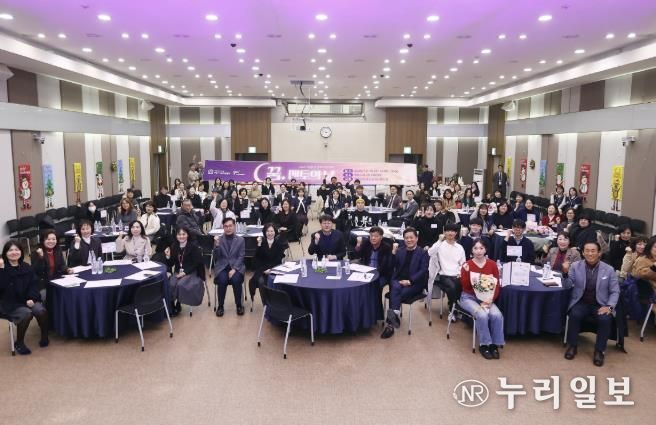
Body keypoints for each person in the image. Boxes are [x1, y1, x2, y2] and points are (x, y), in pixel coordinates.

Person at [563, 241, 620, 367]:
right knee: (575, 314)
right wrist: (565, 273)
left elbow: (615, 291)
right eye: (587, 251)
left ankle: (599, 351)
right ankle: (572, 346)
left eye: (593, 251)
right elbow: (568, 285)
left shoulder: (609, 269)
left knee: (605, 319)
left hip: (601, 304)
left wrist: (609, 306)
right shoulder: (575, 266)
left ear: (599, 253)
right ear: (583, 253)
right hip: (581, 301)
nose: (590, 253)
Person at [0, 241, 50, 354]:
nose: (14, 252)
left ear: (21, 252)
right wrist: (1, 270)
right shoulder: (2, 268)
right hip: (10, 303)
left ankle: (44, 336)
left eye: (16, 250)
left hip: (27, 299)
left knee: (41, 310)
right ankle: (19, 343)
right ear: (5, 253)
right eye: (10, 250)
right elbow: (3, 289)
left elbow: (34, 284)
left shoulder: (26, 267)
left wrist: (31, 298)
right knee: (26, 314)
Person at [459, 239, 504, 359]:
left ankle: (495, 344)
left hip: (487, 298)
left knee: (497, 315)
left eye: (481, 248)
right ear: (472, 250)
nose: (478, 251)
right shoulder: (467, 264)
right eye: (475, 248)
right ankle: (484, 344)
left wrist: (491, 300)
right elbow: (465, 286)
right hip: (469, 298)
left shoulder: (492, 264)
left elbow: (497, 285)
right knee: (482, 315)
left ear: (485, 250)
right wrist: (467, 272)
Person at [381, 227, 429, 338]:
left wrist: (410, 281)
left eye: (411, 237)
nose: (409, 240)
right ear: (403, 239)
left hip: (414, 284)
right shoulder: (400, 251)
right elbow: (390, 266)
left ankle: (390, 324)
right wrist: (393, 253)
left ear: (416, 238)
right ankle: (392, 321)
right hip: (398, 281)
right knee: (395, 287)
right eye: (406, 238)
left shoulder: (422, 253)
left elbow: (423, 270)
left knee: (395, 293)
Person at [165, 227, 204, 316]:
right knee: (171, 284)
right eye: (179, 234)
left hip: (191, 272)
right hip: (178, 272)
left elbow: (196, 264)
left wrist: (185, 272)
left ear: (187, 235)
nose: (181, 236)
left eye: (184, 234)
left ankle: (179, 303)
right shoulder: (174, 246)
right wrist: (168, 256)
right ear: (176, 236)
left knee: (180, 284)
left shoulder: (193, 247)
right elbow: (171, 264)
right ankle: (171, 305)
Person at [429, 223, 466, 314]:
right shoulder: (440, 245)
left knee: (460, 285)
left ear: (456, 233)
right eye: (448, 231)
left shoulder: (459, 247)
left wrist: (460, 273)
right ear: (444, 232)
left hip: (457, 275)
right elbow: (430, 253)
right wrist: (439, 240)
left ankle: (453, 307)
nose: (450, 233)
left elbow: (463, 263)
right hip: (444, 275)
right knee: (452, 287)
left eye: (452, 231)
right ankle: (453, 308)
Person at [213, 218, 246, 316]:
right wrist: (217, 246)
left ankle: (239, 305)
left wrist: (234, 269)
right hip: (222, 266)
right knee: (222, 280)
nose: (228, 228)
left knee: (236, 280)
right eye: (226, 226)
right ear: (223, 227)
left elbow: (241, 256)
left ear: (234, 226)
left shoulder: (240, 240)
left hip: (236, 266)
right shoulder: (219, 239)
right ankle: (220, 306)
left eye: (230, 226)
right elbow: (216, 257)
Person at [248, 224, 287, 306]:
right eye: (268, 231)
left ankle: (275, 303)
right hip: (262, 269)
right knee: (261, 281)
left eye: (272, 231)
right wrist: (258, 245)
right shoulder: (261, 243)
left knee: (276, 282)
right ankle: (265, 304)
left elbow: (278, 260)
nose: (270, 233)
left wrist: (270, 269)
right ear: (264, 233)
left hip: (274, 269)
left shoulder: (279, 244)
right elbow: (256, 260)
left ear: (275, 232)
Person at [30, 229, 71, 300]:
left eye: (53, 239)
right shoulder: (36, 252)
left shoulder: (58, 249)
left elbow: (61, 265)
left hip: (56, 280)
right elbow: (37, 271)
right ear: (43, 240)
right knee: (45, 296)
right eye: (48, 239)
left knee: (68, 292)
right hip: (43, 283)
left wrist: (67, 269)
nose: (51, 241)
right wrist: (41, 257)